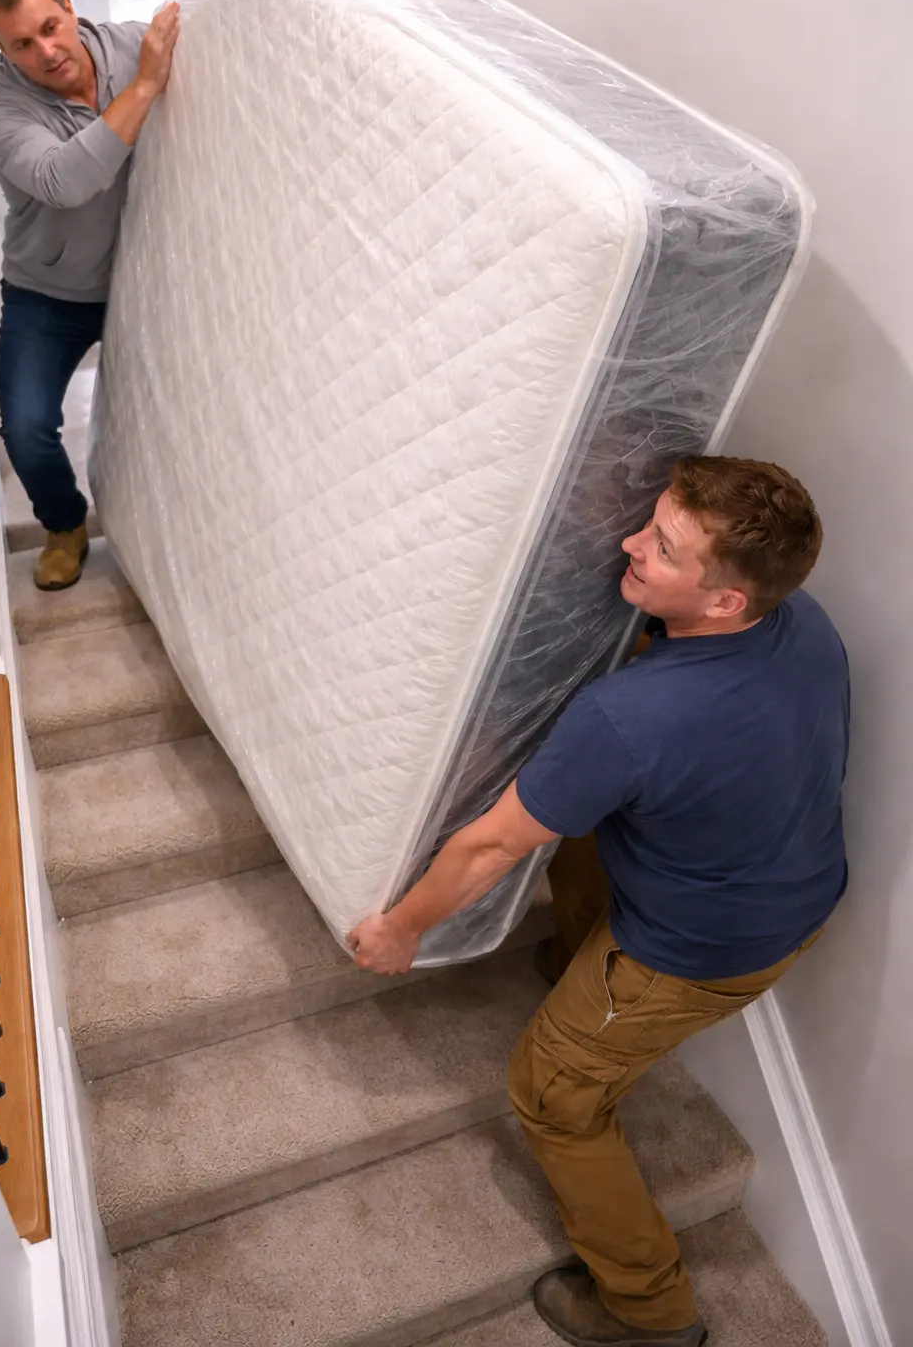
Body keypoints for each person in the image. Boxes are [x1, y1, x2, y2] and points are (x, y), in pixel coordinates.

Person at [347, 455, 849, 1347]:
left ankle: (650, 1314)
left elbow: (492, 845)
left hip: (697, 952)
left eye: (659, 544)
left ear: (726, 599)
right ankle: (568, 962)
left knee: (551, 1096)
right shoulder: (800, 621)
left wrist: (399, 931)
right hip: (789, 885)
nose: (628, 542)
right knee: (582, 831)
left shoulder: (627, 718)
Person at [0, 0, 180, 590]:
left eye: (51, 26)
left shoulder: (127, 44)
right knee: (27, 427)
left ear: (68, 3)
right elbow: (65, 181)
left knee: (177, 407)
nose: (47, 51)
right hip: (49, 294)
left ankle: (167, 519)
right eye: (23, 44)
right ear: (1, 50)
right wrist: (145, 87)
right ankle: (64, 524)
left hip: (140, 283)